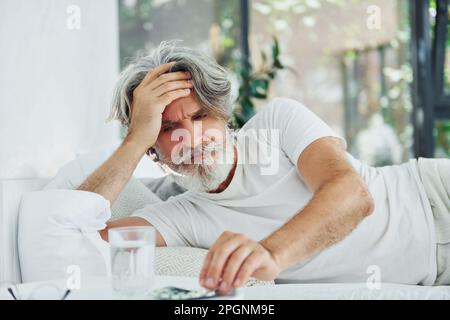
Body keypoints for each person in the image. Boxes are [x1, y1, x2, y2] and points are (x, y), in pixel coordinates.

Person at [78, 41, 450, 294]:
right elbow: (75, 235)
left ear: (222, 114)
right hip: (434, 273)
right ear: (152, 149)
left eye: (201, 116)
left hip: (434, 196)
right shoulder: (179, 217)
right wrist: (134, 139)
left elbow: (353, 196)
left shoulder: (278, 123)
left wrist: (270, 255)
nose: (191, 138)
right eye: (168, 128)